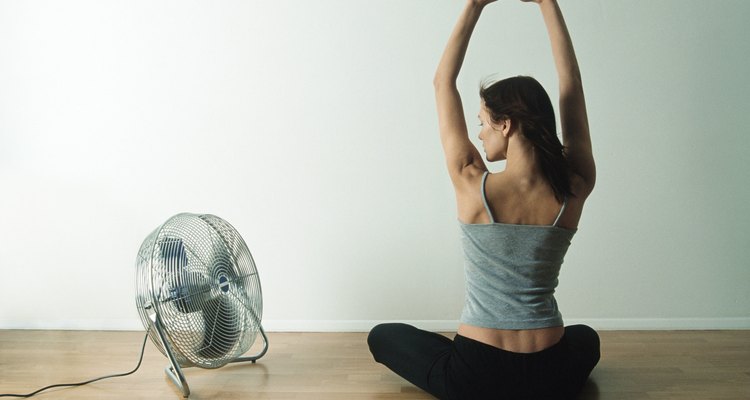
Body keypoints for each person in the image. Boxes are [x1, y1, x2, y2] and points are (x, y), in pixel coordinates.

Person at [368, 0, 600, 398]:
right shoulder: (574, 186)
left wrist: (476, 4)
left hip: (478, 375)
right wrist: (547, 2)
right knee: (586, 338)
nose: (479, 133)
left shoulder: (471, 183)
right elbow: (571, 85)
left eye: (482, 122)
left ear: (505, 124)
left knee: (383, 336)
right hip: (551, 376)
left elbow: (443, 81)